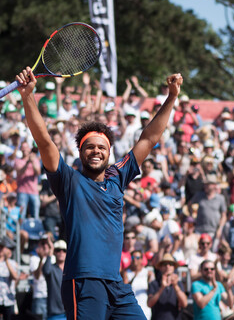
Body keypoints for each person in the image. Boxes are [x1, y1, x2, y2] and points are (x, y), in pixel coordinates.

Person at [16, 67, 183, 320]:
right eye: (89, 147)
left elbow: (149, 139)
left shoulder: (118, 176)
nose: (96, 151)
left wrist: (171, 97)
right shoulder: (68, 179)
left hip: (116, 284)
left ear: (109, 152)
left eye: (102, 147)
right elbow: (44, 141)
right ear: (81, 152)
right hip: (82, 281)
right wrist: (28, 96)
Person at [147, 253, 188, 320]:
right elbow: (149, 304)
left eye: (170, 264)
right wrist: (162, 288)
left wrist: (175, 286)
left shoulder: (178, 284)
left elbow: (184, 303)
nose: (167, 266)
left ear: (174, 267)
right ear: (160, 267)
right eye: (165, 264)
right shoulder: (154, 284)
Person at [123, 250, 153, 320]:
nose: (135, 260)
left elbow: (151, 290)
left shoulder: (147, 273)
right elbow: (125, 288)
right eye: (133, 258)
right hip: (131, 309)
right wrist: (134, 276)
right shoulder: (126, 273)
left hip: (145, 310)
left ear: (142, 259)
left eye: (137, 257)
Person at [0, 237, 18, 320]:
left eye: (2, 247)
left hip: (8, 300)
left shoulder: (12, 263)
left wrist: (6, 260)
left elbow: (15, 277)